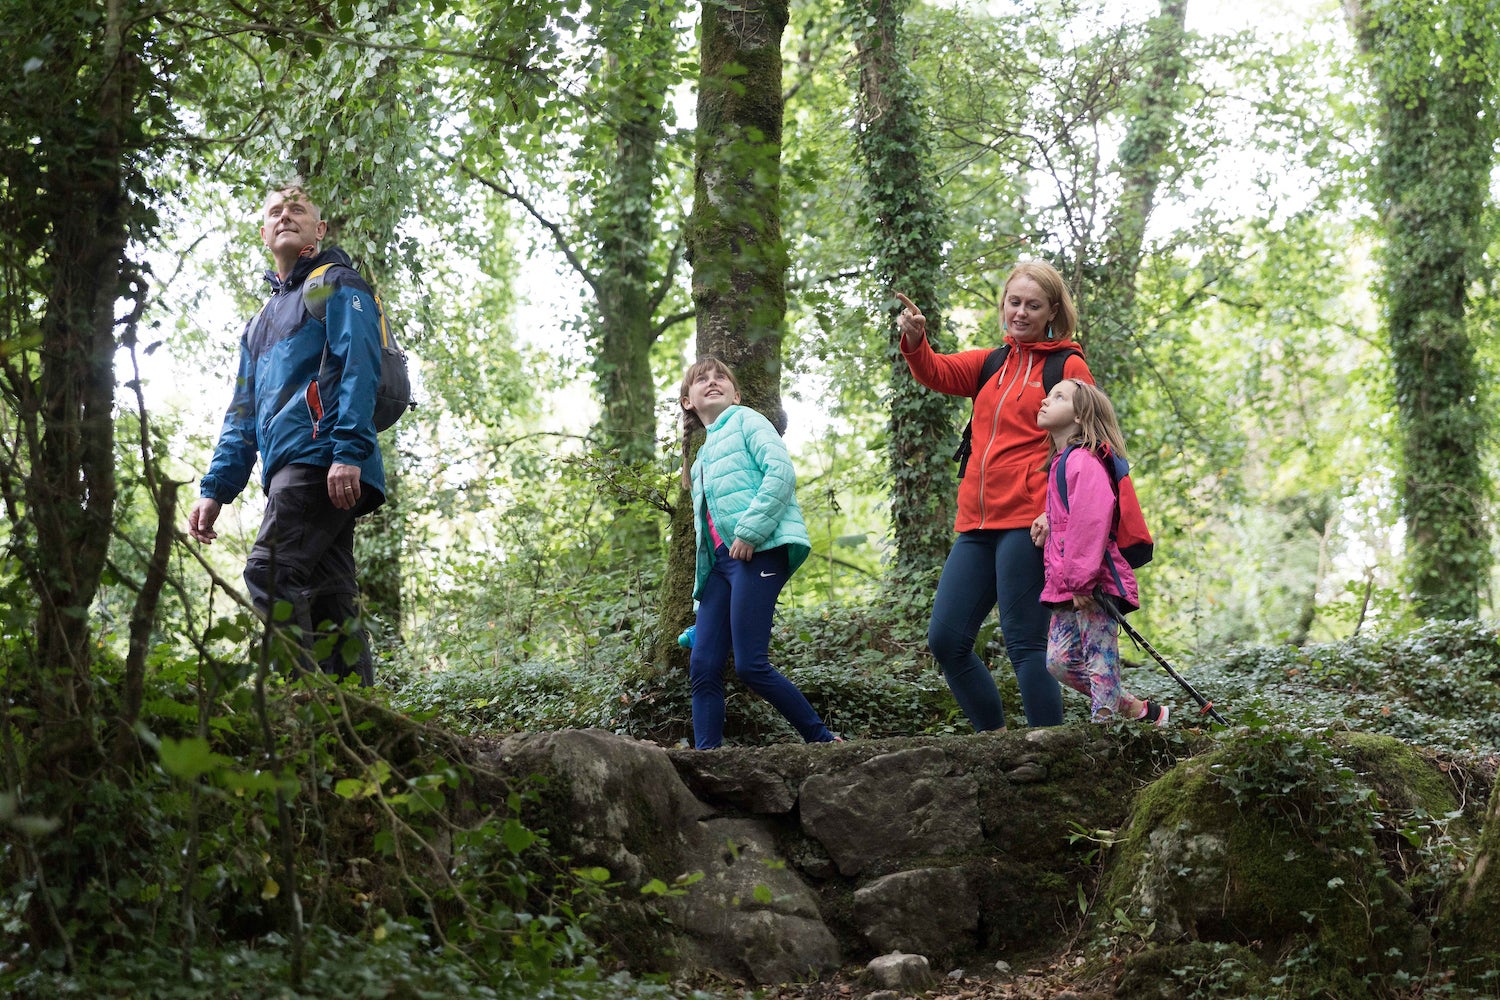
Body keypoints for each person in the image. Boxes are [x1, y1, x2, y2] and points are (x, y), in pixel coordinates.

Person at [187, 185, 386, 686]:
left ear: (318, 231)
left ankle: (304, 703)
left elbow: (360, 365)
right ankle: (361, 721)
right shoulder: (259, 325)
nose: (285, 216)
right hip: (289, 466)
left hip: (321, 457)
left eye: (298, 210)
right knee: (331, 595)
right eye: (275, 211)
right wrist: (216, 490)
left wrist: (348, 453)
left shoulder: (330, 283)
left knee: (269, 571)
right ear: (263, 232)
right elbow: (242, 415)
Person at [895, 261, 1093, 731]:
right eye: (1014, 302)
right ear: (1003, 304)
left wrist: (1056, 511)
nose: (1020, 313)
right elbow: (937, 372)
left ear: (1052, 313)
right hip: (976, 524)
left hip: (1029, 522)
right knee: (946, 640)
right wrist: (916, 340)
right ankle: (995, 740)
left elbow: (1089, 441)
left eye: (1033, 305)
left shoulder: (1067, 365)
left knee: (1025, 643)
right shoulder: (990, 363)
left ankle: (1048, 747)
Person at [679, 357, 838, 749]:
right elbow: (708, 533)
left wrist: (751, 531)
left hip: (759, 552)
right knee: (702, 666)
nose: (712, 382)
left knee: (751, 665)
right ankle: (707, 759)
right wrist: (707, 607)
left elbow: (780, 472)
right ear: (688, 401)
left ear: (736, 394)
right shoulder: (700, 461)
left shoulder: (748, 420)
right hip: (721, 568)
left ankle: (822, 739)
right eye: (702, 380)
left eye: (721, 378)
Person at [1034, 378, 1169, 726]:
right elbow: (1072, 515)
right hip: (1068, 582)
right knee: (1059, 662)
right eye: (1048, 396)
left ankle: (1105, 728)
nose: (1046, 401)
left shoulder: (1083, 459)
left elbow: (1093, 517)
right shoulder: (1062, 462)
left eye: (1059, 397)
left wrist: (1081, 581)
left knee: (1098, 656)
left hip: (1092, 581)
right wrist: (1050, 521)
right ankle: (1142, 712)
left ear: (1079, 416)